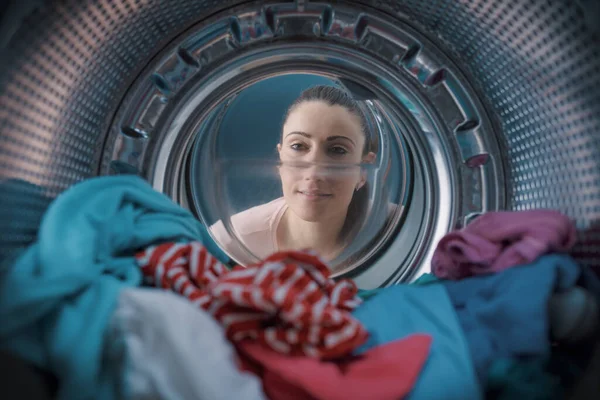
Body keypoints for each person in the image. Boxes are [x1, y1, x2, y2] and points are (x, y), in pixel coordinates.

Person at [210, 85, 385, 267]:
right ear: (280, 159)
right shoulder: (231, 241)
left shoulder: (404, 230)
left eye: (337, 150)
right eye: (298, 146)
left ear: (364, 170)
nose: (314, 173)